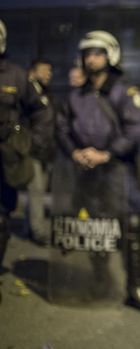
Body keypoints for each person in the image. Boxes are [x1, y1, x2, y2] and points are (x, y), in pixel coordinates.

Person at [56, 30, 140, 311]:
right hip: (85, 172)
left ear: (110, 56)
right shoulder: (76, 96)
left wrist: (106, 154)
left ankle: (135, 287)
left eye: (98, 53)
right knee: (94, 226)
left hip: (118, 171)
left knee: (132, 224)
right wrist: (74, 151)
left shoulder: (124, 91)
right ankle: (99, 282)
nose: (92, 58)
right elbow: (62, 127)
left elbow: (135, 132)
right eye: (87, 53)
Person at [0, 20, 53, 270]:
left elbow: (42, 112)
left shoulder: (16, 75)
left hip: (5, 161)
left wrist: (30, 144)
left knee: (1, 219)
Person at [26, 58, 56, 245]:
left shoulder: (45, 92)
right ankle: (38, 231)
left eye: (50, 71)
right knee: (36, 191)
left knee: (38, 190)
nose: (48, 74)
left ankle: (28, 227)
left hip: (45, 150)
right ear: (33, 72)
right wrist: (27, 141)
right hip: (33, 150)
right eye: (45, 70)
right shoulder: (28, 92)